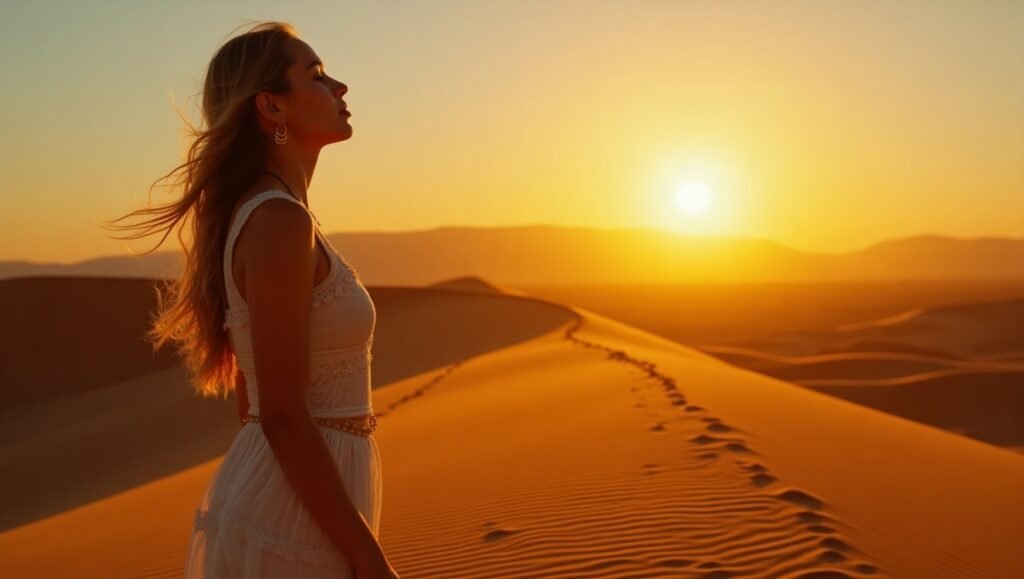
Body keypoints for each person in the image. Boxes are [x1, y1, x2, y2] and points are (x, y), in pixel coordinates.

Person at [100, 20, 399, 579]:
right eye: (316, 75)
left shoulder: (272, 214)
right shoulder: (279, 221)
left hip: (296, 499)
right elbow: (280, 415)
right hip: (295, 520)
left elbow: (252, 399)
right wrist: (366, 556)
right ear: (272, 107)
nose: (341, 88)